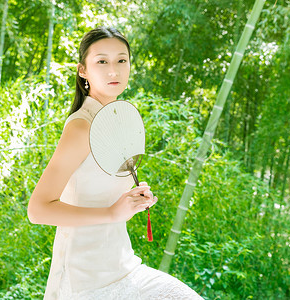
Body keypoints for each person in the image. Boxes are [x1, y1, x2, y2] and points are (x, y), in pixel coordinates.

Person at [27, 27, 203, 300]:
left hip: (124, 266)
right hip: (87, 279)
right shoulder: (81, 127)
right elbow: (38, 210)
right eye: (102, 61)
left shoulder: (117, 120)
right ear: (82, 71)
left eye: (121, 60)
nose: (114, 71)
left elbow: (101, 190)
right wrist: (111, 213)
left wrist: (132, 198)